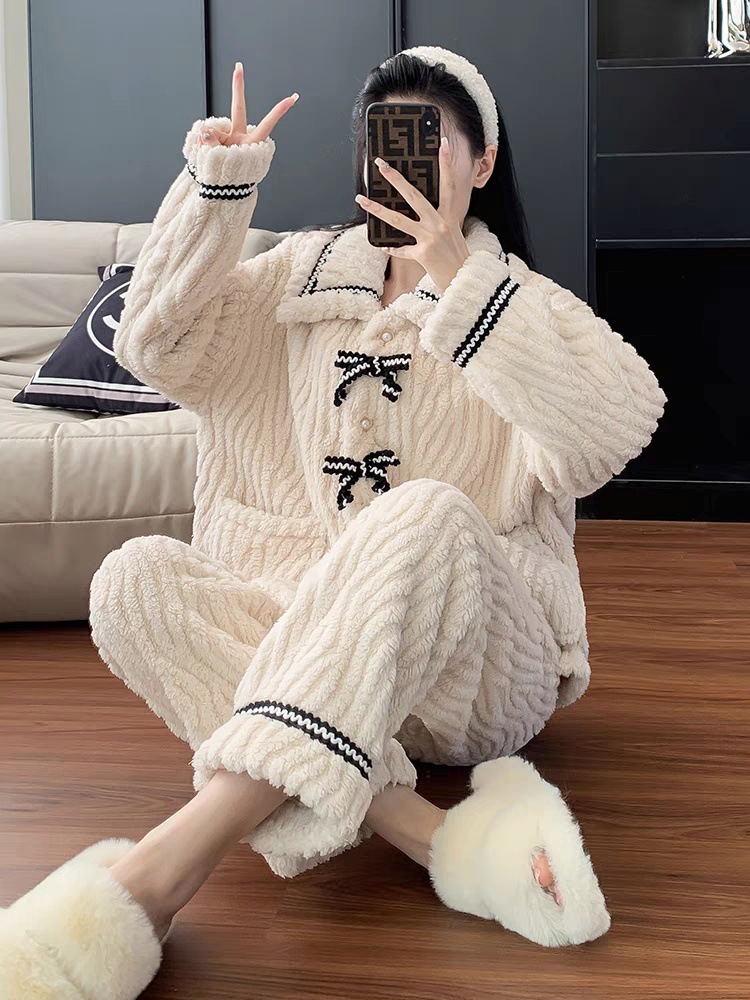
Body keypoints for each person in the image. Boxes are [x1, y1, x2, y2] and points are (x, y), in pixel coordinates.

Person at [1, 45, 666, 997]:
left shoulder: (519, 301)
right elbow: (153, 344)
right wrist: (219, 187)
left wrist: (455, 276)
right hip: (307, 641)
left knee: (423, 512)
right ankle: (428, 833)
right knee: (132, 582)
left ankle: (156, 875)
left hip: (470, 672)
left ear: (482, 163)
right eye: (383, 143)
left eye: (428, 142)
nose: (401, 164)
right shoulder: (298, 275)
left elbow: (616, 427)